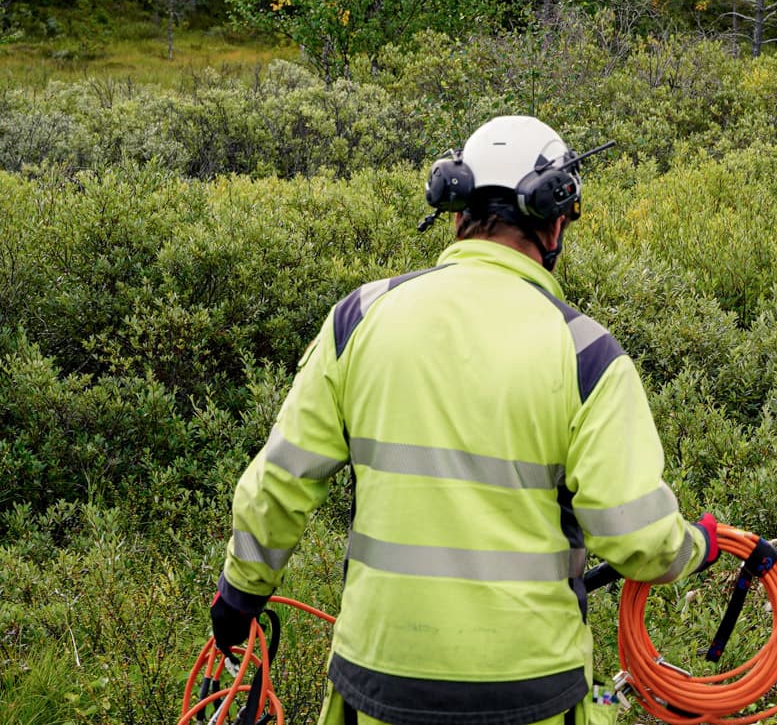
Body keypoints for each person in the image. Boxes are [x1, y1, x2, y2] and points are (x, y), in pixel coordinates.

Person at [208, 116, 719, 725]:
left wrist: (240, 595)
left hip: (378, 674)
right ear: (556, 222)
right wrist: (698, 546)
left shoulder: (359, 318)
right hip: (530, 687)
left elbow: (280, 482)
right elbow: (639, 539)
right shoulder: (587, 353)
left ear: (455, 211)